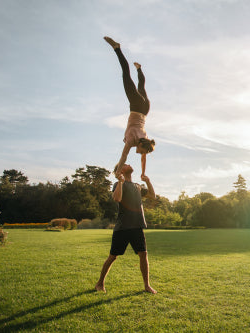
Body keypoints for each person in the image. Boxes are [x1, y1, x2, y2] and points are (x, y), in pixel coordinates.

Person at [95, 164, 157, 294]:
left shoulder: (137, 186)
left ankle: (147, 285)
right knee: (113, 257)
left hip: (137, 226)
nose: (128, 164)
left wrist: (148, 181)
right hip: (123, 227)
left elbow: (152, 196)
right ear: (121, 170)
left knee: (143, 254)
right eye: (125, 164)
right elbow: (117, 198)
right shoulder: (118, 184)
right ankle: (100, 283)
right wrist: (120, 182)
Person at [104, 36, 155, 178]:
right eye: (140, 151)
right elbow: (124, 156)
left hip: (145, 110)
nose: (138, 153)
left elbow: (144, 158)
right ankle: (117, 48)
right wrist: (117, 172)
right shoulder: (132, 141)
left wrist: (143, 173)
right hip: (137, 107)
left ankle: (139, 69)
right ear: (140, 146)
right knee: (126, 75)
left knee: (141, 87)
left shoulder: (145, 139)